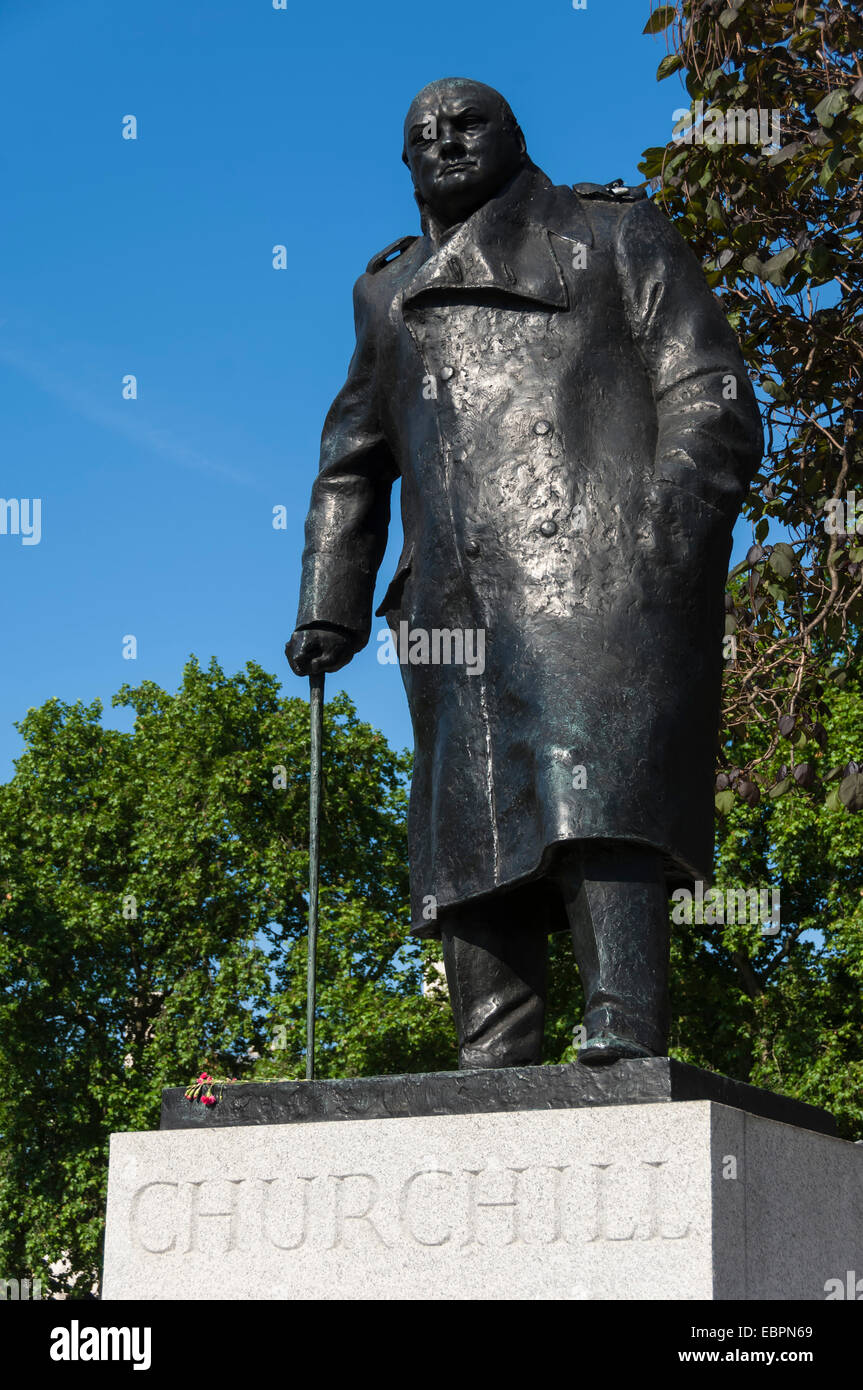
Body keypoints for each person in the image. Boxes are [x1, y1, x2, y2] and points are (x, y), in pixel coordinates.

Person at [286, 78, 762, 1068]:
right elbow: (351, 459)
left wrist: (659, 530)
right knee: (465, 831)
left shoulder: (614, 238)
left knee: (599, 796)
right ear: (404, 160)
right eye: (422, 133)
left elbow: (708, 389)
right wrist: (329, 601)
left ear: (514, 135)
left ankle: (623, 1021)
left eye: (469, 125)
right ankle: (491, 1051)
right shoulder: (387, 291)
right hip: (453, 598)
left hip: (597, 573)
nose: (446, 142)